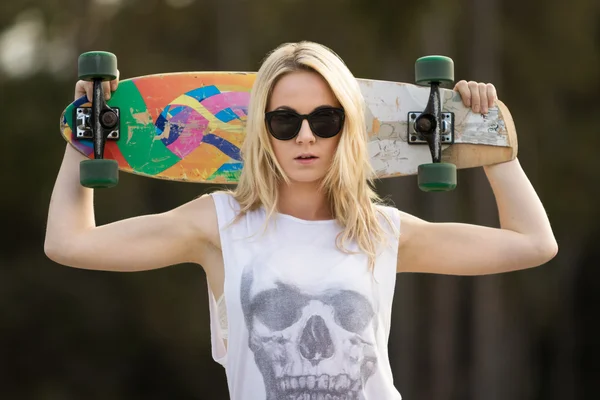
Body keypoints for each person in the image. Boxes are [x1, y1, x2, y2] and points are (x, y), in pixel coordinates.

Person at [44, 41, 558, 400]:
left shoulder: (380, 233)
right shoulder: (219, 225)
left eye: (325, 119)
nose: (305, 137)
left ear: (347, 129)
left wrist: (492, 143)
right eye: (285, 121)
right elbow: (70, 244)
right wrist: (85, 136)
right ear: (262, 132)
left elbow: (532, 243)